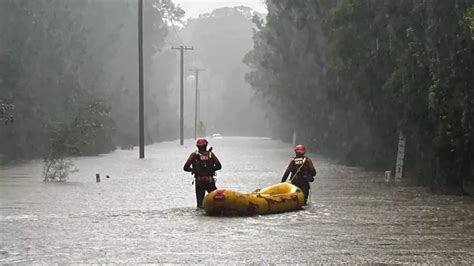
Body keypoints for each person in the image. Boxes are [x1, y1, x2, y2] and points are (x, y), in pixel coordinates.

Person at [183, 138, 222, 208]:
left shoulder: (194, 155)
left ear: (197, 146)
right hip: (210, 181)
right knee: (217, 200)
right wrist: (210, 170)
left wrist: (193, 170)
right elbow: (219, 166)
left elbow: (185, 167)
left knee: (200, 204)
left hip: (199, 181)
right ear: (206, 145)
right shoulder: (210, 154)